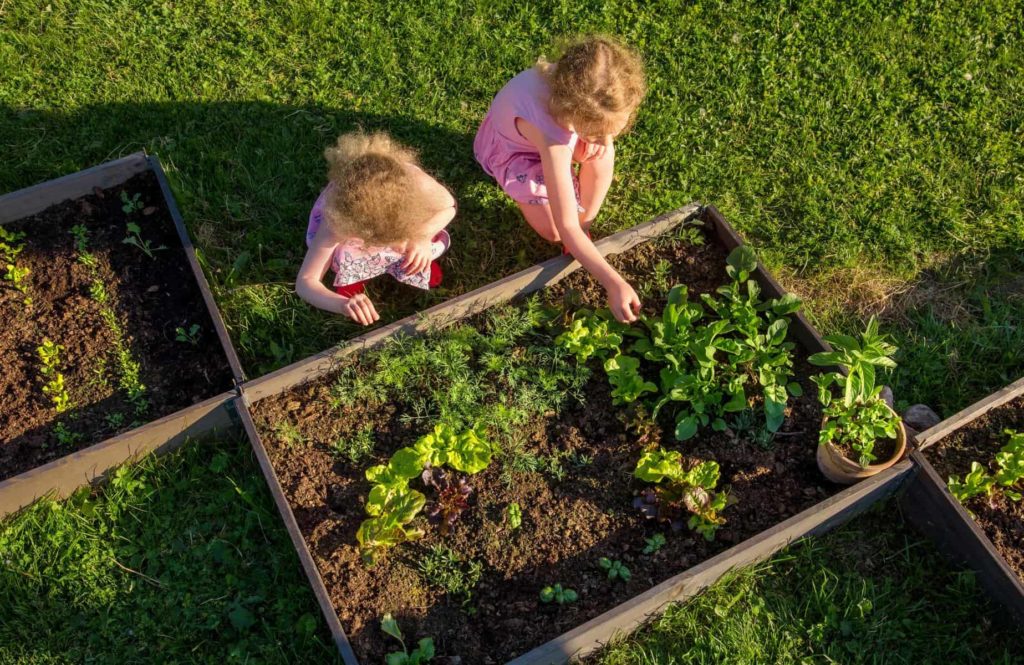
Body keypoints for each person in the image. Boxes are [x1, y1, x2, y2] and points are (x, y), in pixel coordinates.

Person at [474, 35, 646, 322]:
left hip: (555, 133)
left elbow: (597, 132)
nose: (605, 139)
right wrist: (613, 282)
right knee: (555, 230)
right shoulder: (551, 137)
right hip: (518, 154)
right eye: (595, 131)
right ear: (571, 112)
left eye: (612, 130)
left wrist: (597, 137)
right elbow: (564, 225)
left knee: (601, 155)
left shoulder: (578, 82)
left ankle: (585, 227)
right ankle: (578, 234)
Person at [296, 131, 455, 325]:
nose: (395, 246)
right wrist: (342, 304)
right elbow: (306, 281)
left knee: (423, 248)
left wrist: (421, 238)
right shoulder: (338, 220)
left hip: (413, 234)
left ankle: (415, 265)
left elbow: (449, 206)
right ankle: (354, 278)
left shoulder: (416, 182)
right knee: (345, 254)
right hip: (354, 242)